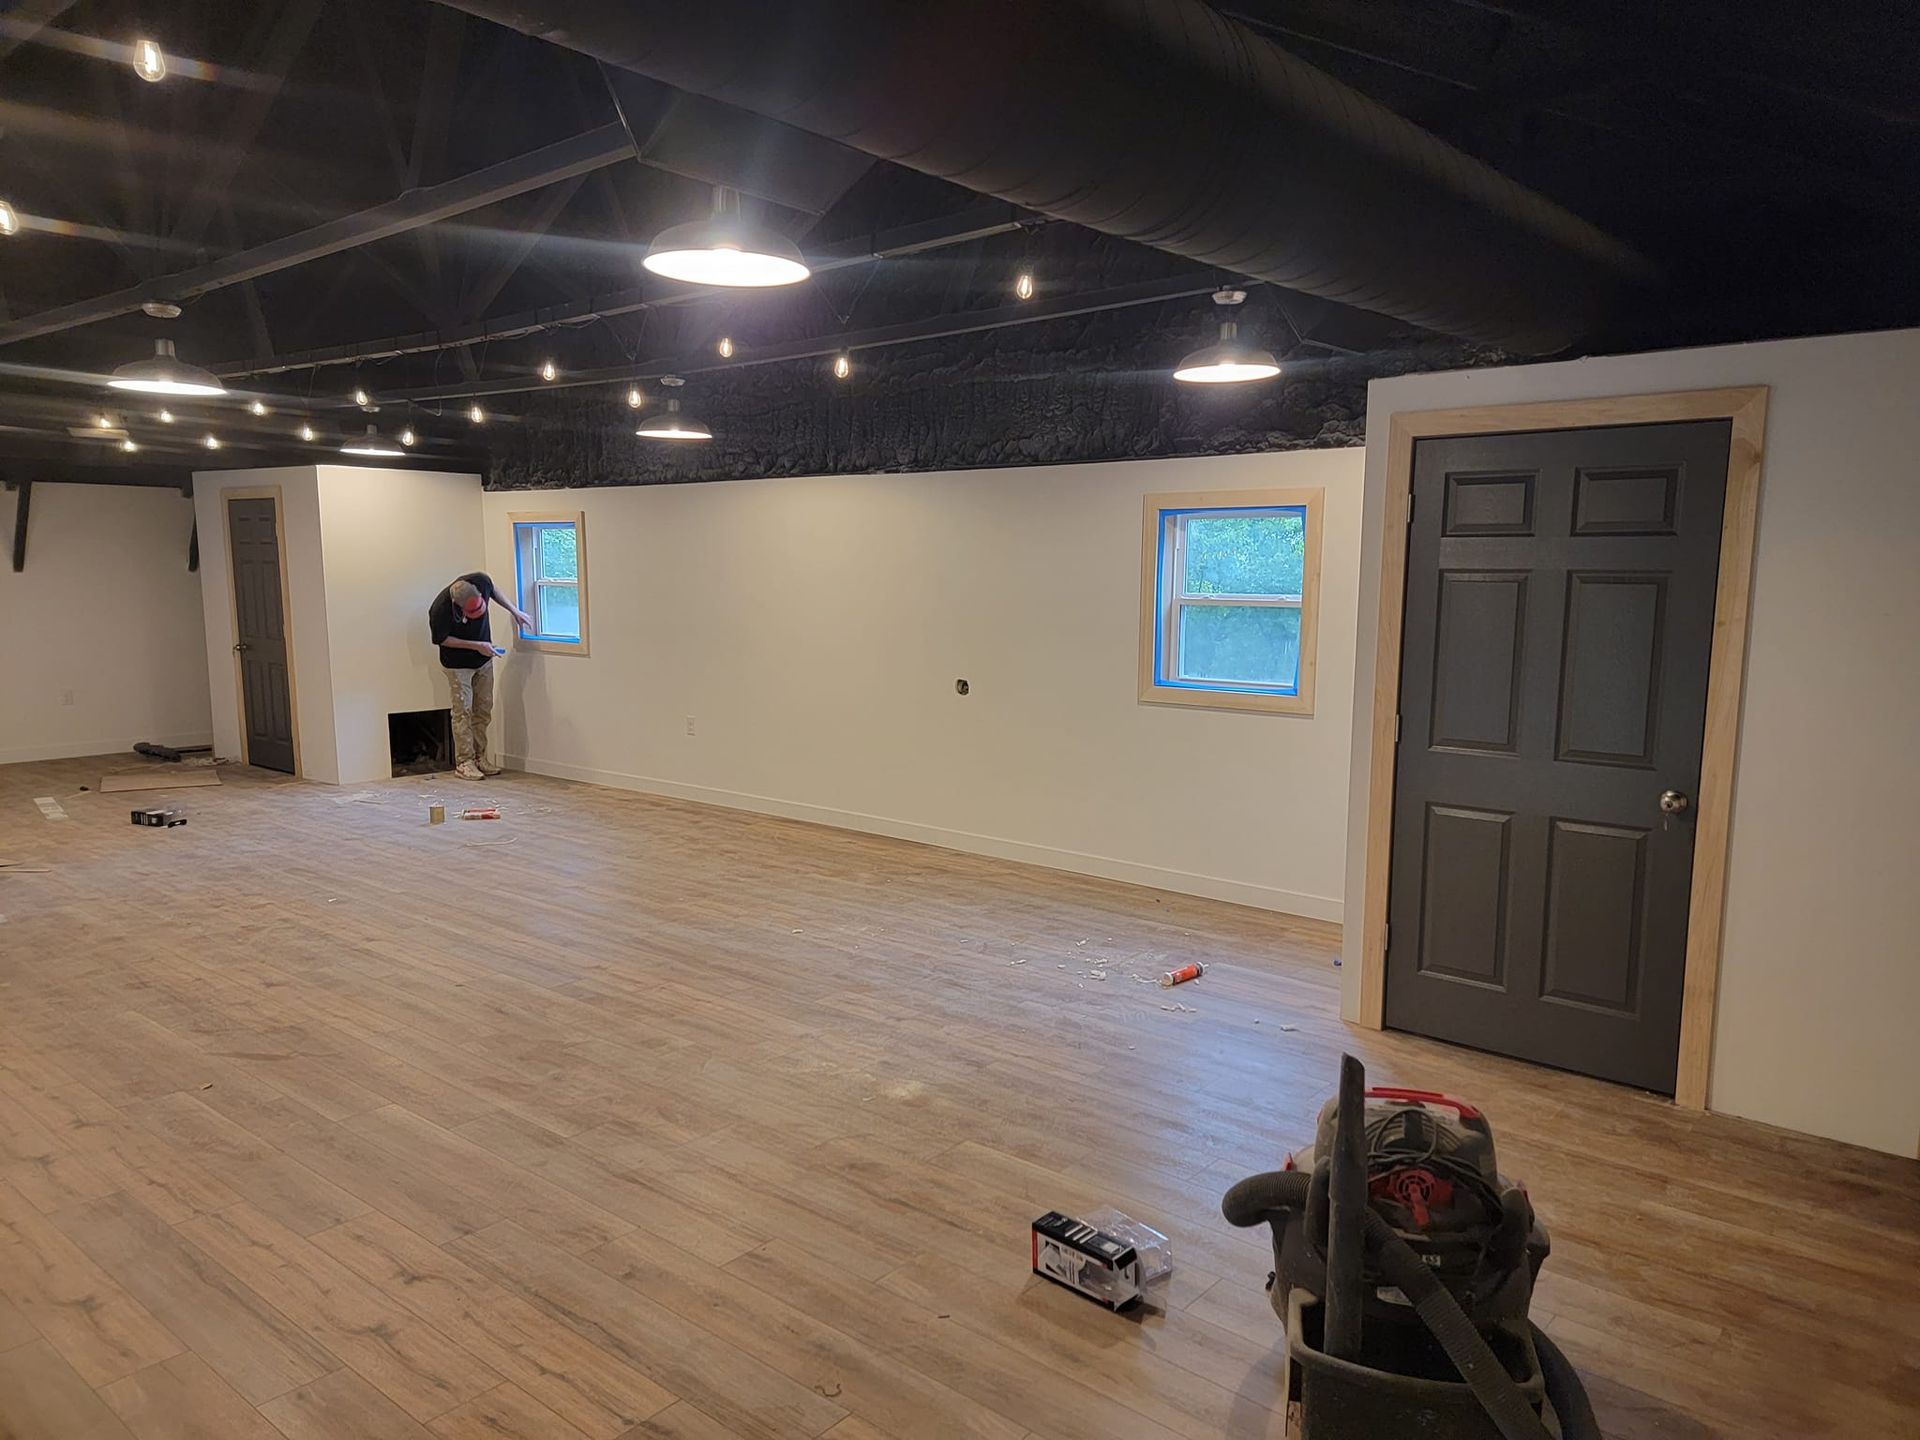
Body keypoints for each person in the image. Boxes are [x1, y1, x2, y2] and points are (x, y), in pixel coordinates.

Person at [428, 572, 531, 780]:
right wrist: (476, 646)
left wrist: (514, 610)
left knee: (483, 709)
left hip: (484, 661)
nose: (480, 612)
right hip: (457, 666)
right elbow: (442, 639)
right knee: (463, 711)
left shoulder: (480, 581)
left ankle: (479, 757)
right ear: (459, 607)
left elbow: (493, 589)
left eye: (481, 606)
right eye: (472, 611)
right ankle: (464, 762)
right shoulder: (440, 609)